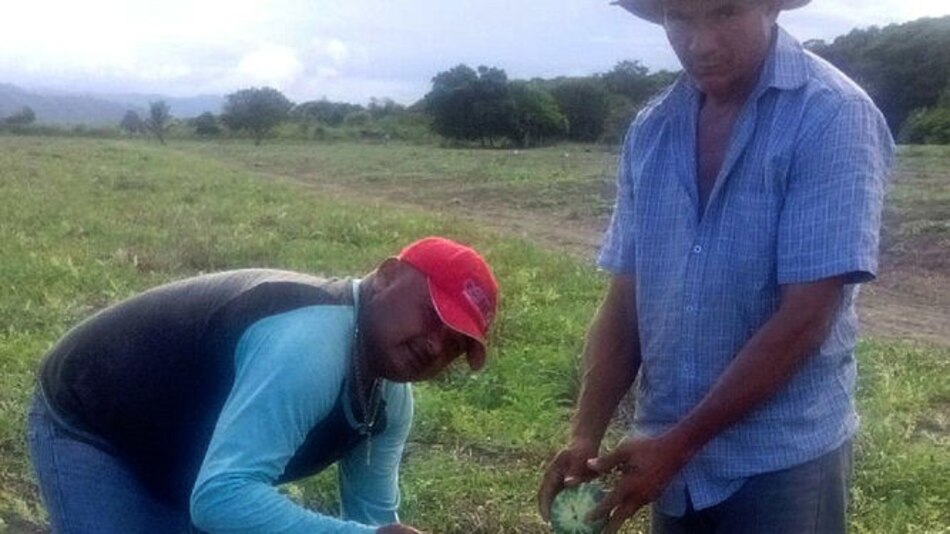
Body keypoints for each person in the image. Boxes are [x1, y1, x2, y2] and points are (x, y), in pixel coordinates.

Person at [538, 0, 894, 532]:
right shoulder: (652, 129)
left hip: (780, 460)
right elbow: (625, 301)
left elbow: (807, 317)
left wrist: (678, 445)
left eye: (724, 12)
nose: (699, 42)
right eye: (678, 18)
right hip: (666, 462)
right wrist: (585, 436)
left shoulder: (833, 114)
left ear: (772, 7)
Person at [28, 236, 499, 533]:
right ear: (386, 276)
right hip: (95, 424)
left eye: (457, 345)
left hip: (184, 456)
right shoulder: (310, 344)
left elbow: (371, 516)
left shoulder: (389, 402)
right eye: (431, 315)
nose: (437, 347)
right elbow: (220, 501)